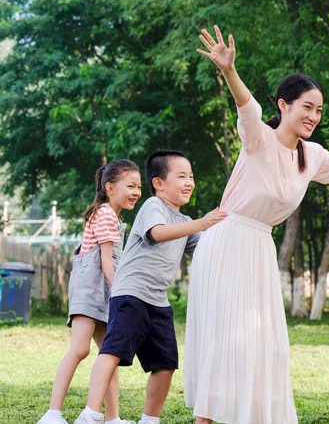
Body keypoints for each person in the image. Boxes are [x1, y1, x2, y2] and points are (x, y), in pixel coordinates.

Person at [184, 25, 329, 424]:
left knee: (267, 346)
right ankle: (206, 418)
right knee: (229, 343)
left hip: (258, 247)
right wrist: (228, 70)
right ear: (284, 106)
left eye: (319, 110)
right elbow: (247, 108)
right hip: (227, 239)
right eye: (306, 106)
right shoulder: (259, 139)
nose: (314, 116)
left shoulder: (312, 157)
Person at [73, 150, 228, 424]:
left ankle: (150, 419)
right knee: (112, 351)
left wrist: (232, 232)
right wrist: (202, 223)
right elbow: (158, 233)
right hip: (130, 293)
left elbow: (207, 250)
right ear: (158, 183)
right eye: (181, 176)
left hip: (158, 302)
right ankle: (91, 413)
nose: (189, 182)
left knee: (165, 364)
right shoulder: (154, 207)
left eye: (191, 177)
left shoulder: (185, 223)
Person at [38, 160, 142, 424]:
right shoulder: (105, 213)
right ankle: (52, 414)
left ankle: (113, 418)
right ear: (109, 187)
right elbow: (106, 261)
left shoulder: (114, 217)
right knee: (80, 349)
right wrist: (123, 293)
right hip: (91, 286)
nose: (136, 192)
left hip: (105, 288)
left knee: (110, 353)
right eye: (130, 185)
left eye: (138, 186)